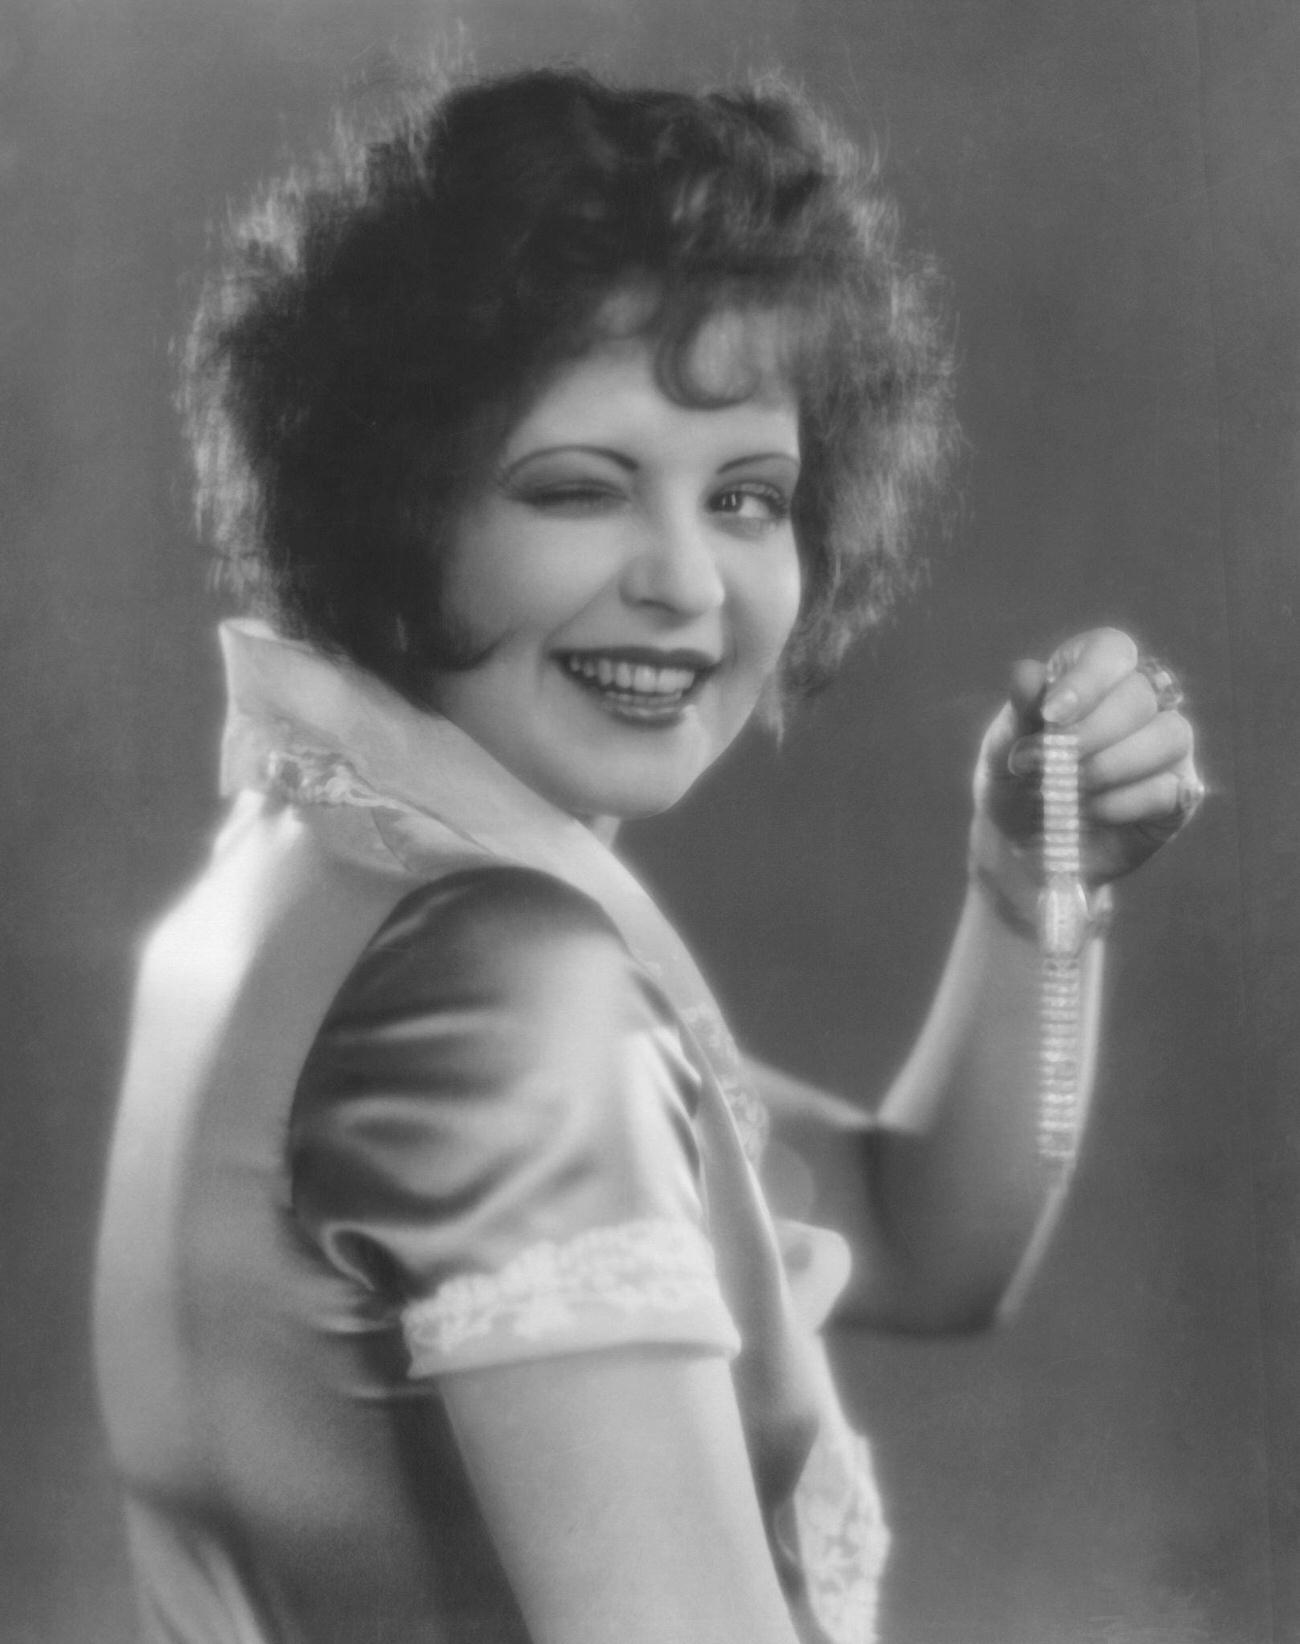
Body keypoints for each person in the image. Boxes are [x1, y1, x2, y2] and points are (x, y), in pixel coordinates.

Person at [93, 66, 1202, 1644]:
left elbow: (917, 1239)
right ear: (393, 501)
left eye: (748, 496)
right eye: (578, 489)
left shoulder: (318, 882)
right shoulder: (495, 986)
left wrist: (1037, 890)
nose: (688, 583)